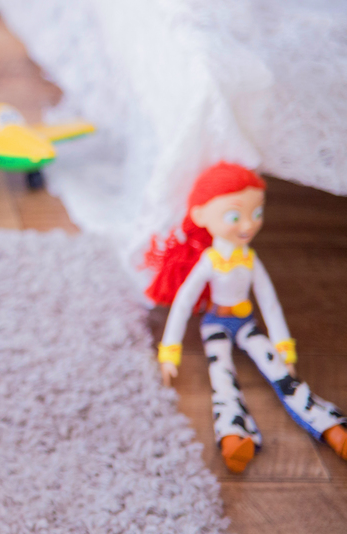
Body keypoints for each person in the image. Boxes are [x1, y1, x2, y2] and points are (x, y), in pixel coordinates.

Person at [144, 161, 347, 473]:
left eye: (257, 213)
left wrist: (284, 346)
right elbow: (183, 304)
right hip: (215, 324)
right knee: (222, 378)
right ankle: (234, 434)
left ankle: (331, 426)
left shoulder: (250, 259)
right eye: (234, 216)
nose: (249, 225)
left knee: (283, 374)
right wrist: (170, 351)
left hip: (246, 322)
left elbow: (270, 303)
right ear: (200, 216)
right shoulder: (210, 262)